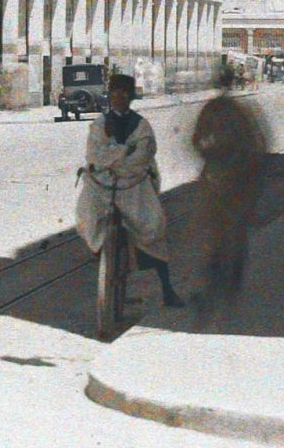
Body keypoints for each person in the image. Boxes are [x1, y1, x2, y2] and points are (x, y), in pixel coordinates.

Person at [75, 73, 184, 308]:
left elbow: (142, 157)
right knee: (86, 214)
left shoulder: (142, 125)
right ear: (109, 95)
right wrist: (124, 152)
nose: (118, 97)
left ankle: (167, 289)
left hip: (134, 183)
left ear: (131, 97)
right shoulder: (99, 124)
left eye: (124, 93)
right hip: (104, 183)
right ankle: (102, 257)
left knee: (154, 224)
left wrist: (115, 156)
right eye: (114, 92)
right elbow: (95, 156)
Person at [190, 69, 269, 306]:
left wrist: (207, 151)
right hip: (235, 179)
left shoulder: (212, 109)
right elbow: (257, 144)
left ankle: (217, 280)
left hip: (218, 178)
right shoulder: (240, 111)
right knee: (234, 230)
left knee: (217, 230)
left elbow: (196, 140)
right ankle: (230, 280)